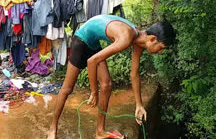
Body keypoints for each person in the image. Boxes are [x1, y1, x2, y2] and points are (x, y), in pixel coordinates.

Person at [47, 14, 176, 139]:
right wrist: (94, 92)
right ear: (153, 39)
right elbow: (92, 61)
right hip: (81, 39)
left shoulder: (139, 41)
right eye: (161, 48)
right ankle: (52, 128)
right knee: (67, 88)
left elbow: (134, 74)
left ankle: (100, 131)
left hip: (93, 43)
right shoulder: (126, 37)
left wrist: (139, 105)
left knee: (107, 85)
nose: (160, 52)